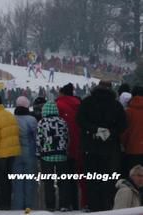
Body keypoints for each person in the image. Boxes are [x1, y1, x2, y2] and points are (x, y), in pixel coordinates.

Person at [77, 81, 127, 212]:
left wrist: (94, 130)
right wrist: (110, 132)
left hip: (90, 147)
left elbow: (80, 120)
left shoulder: (87, 102)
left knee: (92, 178)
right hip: (110, 148)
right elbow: (123, 125)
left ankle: (94, 206)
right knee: (108, 179)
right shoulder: (116, 105)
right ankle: (107, 205)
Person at [36, 101, 69, 212]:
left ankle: (50, 206)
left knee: (48, 182)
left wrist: (39, 153)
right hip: (61, 155)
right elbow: (67, 137)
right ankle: (64, 204)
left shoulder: (42, 122)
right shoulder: (62, 121)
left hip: (46, 156)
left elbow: (38, 139)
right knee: (63, 181)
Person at [56, 83, 83, 210]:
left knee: (64, 177)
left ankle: (65, 204)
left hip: (63, 146)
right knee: (78, 177)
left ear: (62, 93)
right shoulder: (80, 104)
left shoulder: (59, 105)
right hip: (79, 145)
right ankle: (77, 203)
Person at [11, 96, 37, 211]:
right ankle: (29, 207)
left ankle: (17, 207)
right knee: (30, 182)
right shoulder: (32, 120)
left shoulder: (12, 119)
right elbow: (36, 137)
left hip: (15, 153)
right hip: (29, 154)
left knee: (18, 182)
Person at [121, 85, 143, 178]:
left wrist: (124, 145)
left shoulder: (128, 112)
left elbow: (124, 133)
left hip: (132, 150)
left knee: (134, 179)